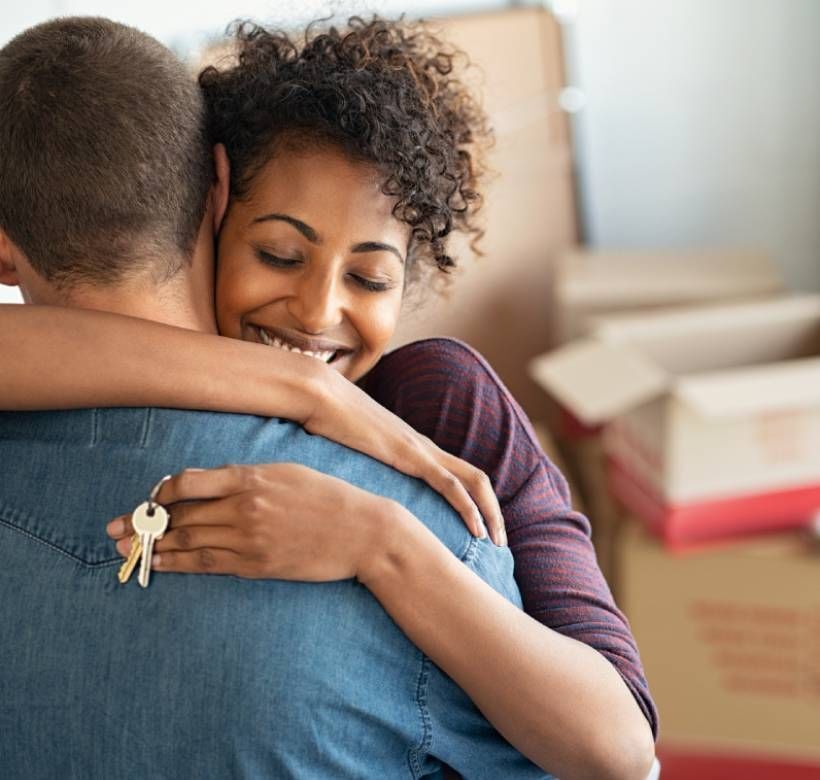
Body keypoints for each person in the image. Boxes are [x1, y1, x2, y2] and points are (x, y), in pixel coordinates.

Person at [0, 16, 657, 780]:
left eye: (371, 278)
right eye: (278, 254)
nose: (315, 314)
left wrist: (383, 542)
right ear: (217, 201)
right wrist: (303, 387)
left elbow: (623, 752)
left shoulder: (441, 414)